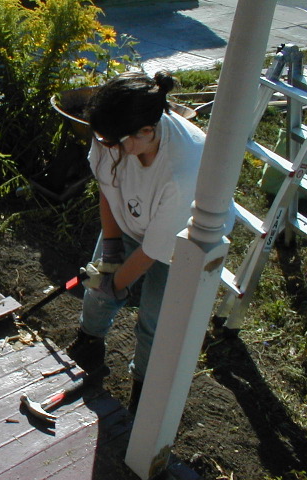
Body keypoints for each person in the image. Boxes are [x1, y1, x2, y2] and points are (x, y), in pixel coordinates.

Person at [67, 70, 232, 414]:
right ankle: (89, 347)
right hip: (133, 222)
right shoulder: (111, 135)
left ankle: (143, 393)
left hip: (183, 243)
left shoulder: (184, 169)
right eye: (101, 140)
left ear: (146, 131)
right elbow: (108, 189)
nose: (105, 147)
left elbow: (155, 251)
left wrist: (116, 283)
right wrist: (111, 249)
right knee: (97, 290)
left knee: (155, 323)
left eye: (112, 143)